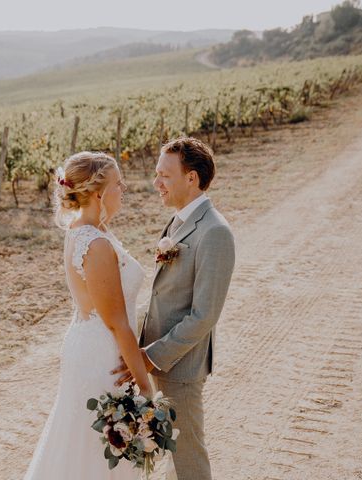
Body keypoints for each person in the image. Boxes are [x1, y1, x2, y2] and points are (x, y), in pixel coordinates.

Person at [113, 137, 235, 480]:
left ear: (191, 178)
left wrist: (152, 356)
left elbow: (205, 315)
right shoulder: (179, 222)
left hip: (179, 365)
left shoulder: (215, 232)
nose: (156, 183)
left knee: (188, 460)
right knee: (169, 454)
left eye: (164, 175)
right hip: (157, 356)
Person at [24, 151, 150, 480]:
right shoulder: (94, 244)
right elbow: (117, 322)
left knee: (89, 447)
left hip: (90, 345)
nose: (123, 189)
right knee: (98, 453)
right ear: (98, 194)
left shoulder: (87, 230)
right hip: (103, 358)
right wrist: (146, 387)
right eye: (118, 184)